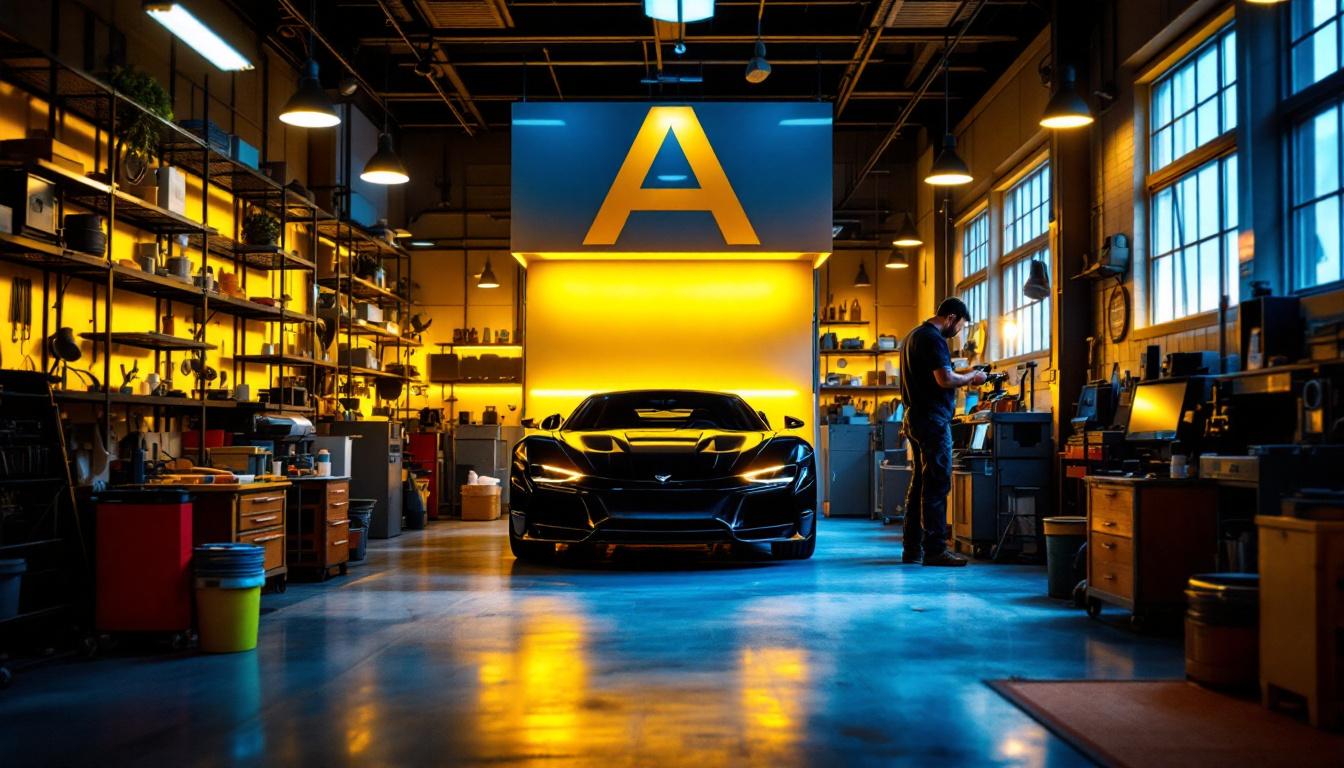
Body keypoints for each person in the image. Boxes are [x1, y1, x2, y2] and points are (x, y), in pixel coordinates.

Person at [898, 298, 987, 567]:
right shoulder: (933, 339)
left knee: (919, 484)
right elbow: (945, 379)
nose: (959, 331)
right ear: (951, 318)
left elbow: (939, 373)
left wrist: (967, 372)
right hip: (933, 420)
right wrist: (971, 378)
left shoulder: (913, 337)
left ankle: (912, 549)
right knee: (936, 484)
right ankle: (935, 550)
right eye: (961, 325)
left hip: (914, 418)